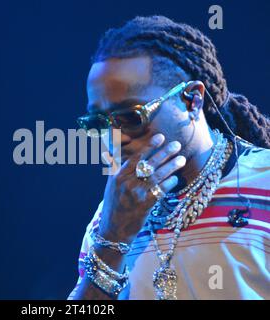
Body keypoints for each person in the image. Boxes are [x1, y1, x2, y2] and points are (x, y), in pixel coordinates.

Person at [68, 16, 270, 300]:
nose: (114, 138)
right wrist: (113, 241)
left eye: (130, 117)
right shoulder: (108, 219)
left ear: (192, 99)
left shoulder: (263, 182)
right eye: (98, 123)